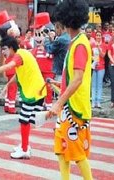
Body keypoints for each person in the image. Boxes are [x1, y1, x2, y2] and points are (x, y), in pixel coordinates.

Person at [46, 0, 93, 179]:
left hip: (74, 108)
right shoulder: (76, 42)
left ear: (65, 21)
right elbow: (72, 79)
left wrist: (58, 103)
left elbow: (78, 79)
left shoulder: (79, 45)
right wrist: (57, 84)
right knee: (61, 148)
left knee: (76, 152)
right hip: (69, 107)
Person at [0, 36, 46, 159]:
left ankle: (24, 149)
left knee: (24, 120)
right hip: (34, 91)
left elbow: (10, 66)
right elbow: (18, 74)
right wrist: (7, 85)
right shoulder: (21, 54)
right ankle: (25, 145)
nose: (3, 52)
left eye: (5, 49)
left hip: (34, 92)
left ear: (12, 48)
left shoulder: (19, 56)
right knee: (26, 119)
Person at [91, 31, 107, 108]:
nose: (98, 37)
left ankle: (98, 101)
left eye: (99, 35)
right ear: (95, 36)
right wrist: (93, 59)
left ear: (101, 36)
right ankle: (93, 102)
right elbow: (90, 55)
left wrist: (98, 48)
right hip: (94, 66)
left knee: (99, 84)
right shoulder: (92, 45)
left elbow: (103, 55)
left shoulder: (104, 45)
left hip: (101, 67)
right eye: (97, 35)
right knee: (94, 85)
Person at [107, 30, 114, 108]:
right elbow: (108, 53)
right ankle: (112, 101)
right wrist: (112, 60)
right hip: (112, 65)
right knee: (113, 82)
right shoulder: (111, 42)